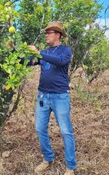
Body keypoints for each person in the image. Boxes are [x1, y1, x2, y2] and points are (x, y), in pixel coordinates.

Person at [29, 21, 76, 175]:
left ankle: (70, 167)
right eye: (46, 33)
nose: (46, 35)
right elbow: (28, 62)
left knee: (65, 131)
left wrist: (39, 53)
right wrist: (15, 52)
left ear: (57, 35)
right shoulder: (44, 52)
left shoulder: (65, 50)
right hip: (43, 95)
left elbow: (61, 61)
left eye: (49, 33)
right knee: (40, 128)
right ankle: (48, 158)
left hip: (60, 96)